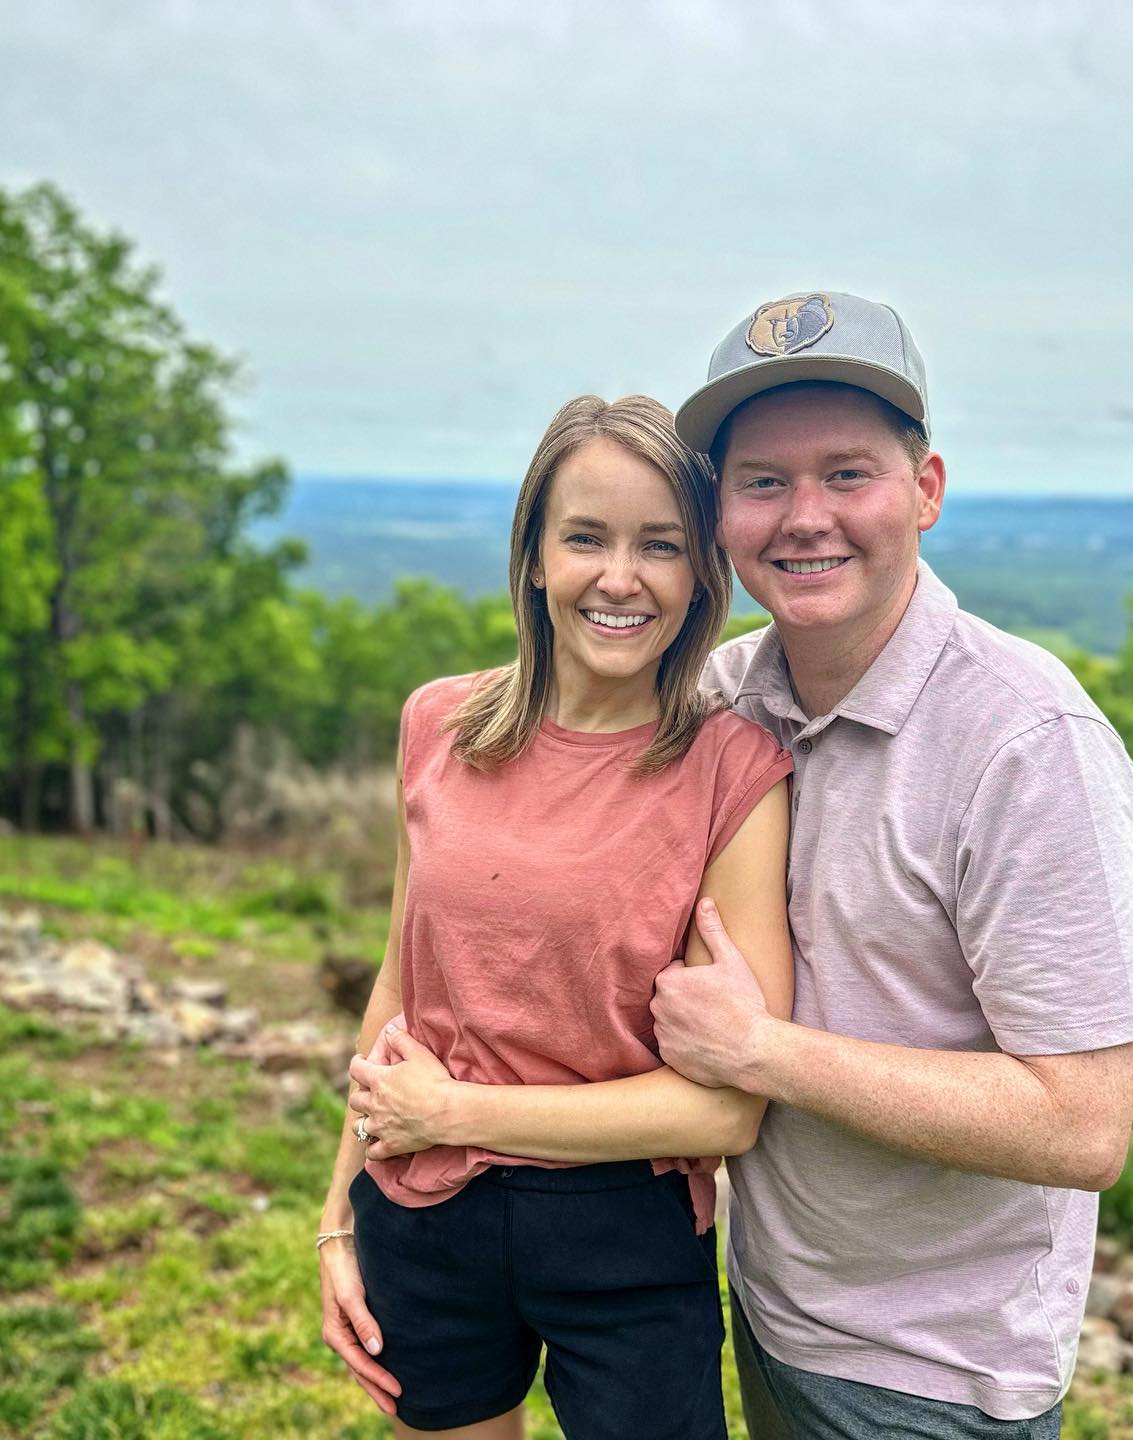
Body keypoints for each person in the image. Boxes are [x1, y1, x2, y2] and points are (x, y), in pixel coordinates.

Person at [649, 292, 1133, 1440]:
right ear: (721, 514)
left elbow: (1083, 1126)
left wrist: (759, 1052)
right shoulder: (725, 698)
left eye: (848, 473)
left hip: (938, 1372)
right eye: (763, 481)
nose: (805, 518)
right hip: (768, 1305)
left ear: (925, 490)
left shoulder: (1028, 744)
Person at [315, 394, 794, 1440]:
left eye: (660, 545)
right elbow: (400, 986)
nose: (621, 577)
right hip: (423, 1210)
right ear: (534, 557)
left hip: (623, 1233)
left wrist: (457, 1114)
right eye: (586, 538)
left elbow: (725, 1113)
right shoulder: (438, 725)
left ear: (701, 574)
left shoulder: (736, 771)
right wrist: (340, 1214)